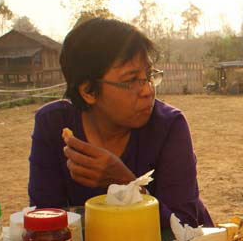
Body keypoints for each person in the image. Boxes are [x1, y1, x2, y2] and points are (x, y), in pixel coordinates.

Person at [28, 18, 213, 228]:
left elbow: (185, 226)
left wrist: (126, 183)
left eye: (149, 75)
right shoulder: (53, 125)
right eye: (131, 80)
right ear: (88, 91)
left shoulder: (168, 126)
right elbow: (44, 219)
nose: (148, 90)